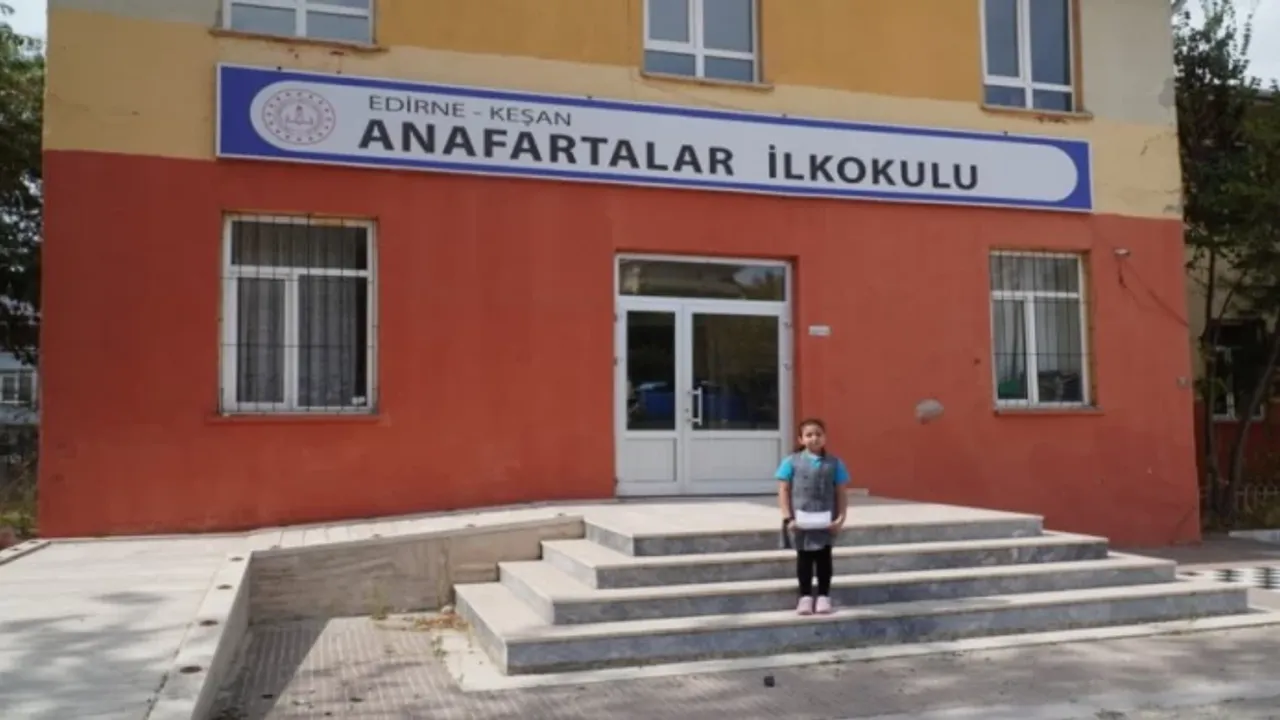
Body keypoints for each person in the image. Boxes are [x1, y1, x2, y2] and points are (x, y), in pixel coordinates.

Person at [776, 418, 851, 615]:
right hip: (800, 521)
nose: (814, 438)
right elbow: (783, 490)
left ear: (825, 438)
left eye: (818, 434)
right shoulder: (790, 462)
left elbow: (841, 492)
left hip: (825, 520)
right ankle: (805, 597)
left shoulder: (835, 463)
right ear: (801, 439)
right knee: (805, 559)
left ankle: (824, 596)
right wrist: (788, 518)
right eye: (809, 435)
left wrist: (841, 518)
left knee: (824, 558)